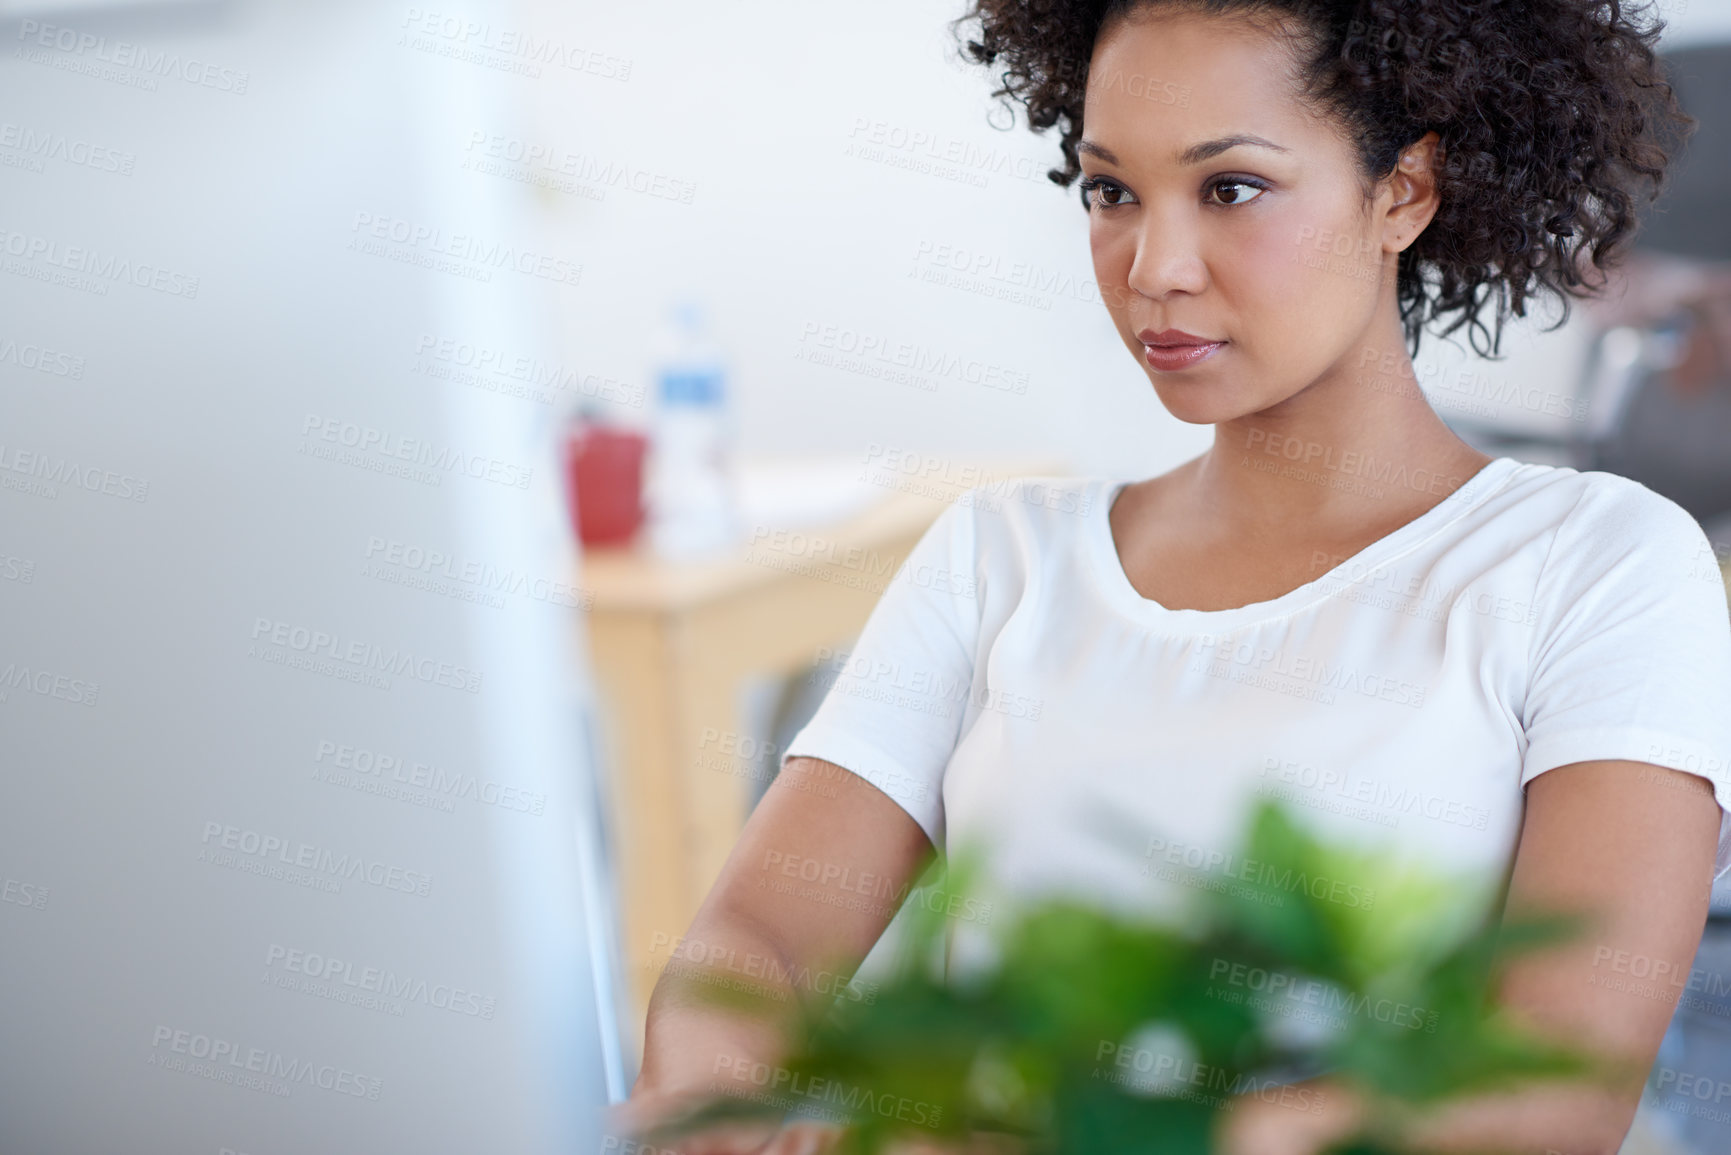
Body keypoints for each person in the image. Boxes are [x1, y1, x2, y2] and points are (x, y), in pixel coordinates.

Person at [617, 1, 1731, 1151]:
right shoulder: (1000, 556)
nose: (1153, 268)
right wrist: (715, 1110)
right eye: (1110, 192)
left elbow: (1554, 1089)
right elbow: (758, 943)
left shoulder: (1599, 567)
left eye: (1232, 188)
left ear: (1402, 190)